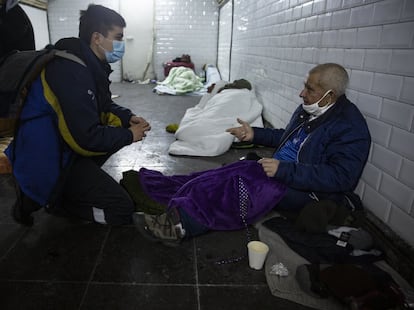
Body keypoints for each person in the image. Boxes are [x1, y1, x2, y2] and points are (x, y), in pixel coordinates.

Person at [133, 63, 371, 245]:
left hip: (309, 190)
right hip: (282, 170)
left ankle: (180, 225)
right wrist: (254, 135)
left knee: (242, 184)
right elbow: (286, 138)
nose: (301, 93)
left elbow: (341, 178)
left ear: (329, 95)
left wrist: (284, 170)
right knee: (226, 173)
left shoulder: (350, 127)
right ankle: (162, 190)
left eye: (309, 88)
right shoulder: (310, 109)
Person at [6, 4, 151, 226]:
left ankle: (70, 187)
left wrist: (126, 118)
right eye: (118, 37)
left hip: (63, 148)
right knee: (121, 210)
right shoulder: (71, 71)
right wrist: (130, 135)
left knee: (120, 131)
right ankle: (58, 202)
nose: (121, 44)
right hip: (49, 158)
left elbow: (102, 106)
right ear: (97, 38)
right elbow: (86, 137)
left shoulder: (89, 64)